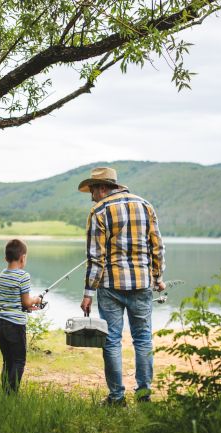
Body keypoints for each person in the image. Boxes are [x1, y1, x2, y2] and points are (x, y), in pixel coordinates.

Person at [78, 167, 166, 406]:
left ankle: (117, 398)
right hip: (142, 283)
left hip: (110, 286)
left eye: (93, 190)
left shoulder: (99, 211)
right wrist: (157, 277)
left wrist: (88, 293)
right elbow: (157, 246)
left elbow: (96, 258)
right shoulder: (145, 205)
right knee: (143, 339)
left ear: (103, 188)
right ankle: (143, 395)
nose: (91, 196)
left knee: (112, 341)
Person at [0, 238, 42, 393]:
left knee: (7, 361)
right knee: (19, 360)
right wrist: (36, 300)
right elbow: (26, 302)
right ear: (23, 258)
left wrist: (24, 306)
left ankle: (5, 391)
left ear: (6, 258)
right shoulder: (23, 276)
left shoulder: (2, 275)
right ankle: (11, 394)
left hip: (1, 323)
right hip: (15, 325)